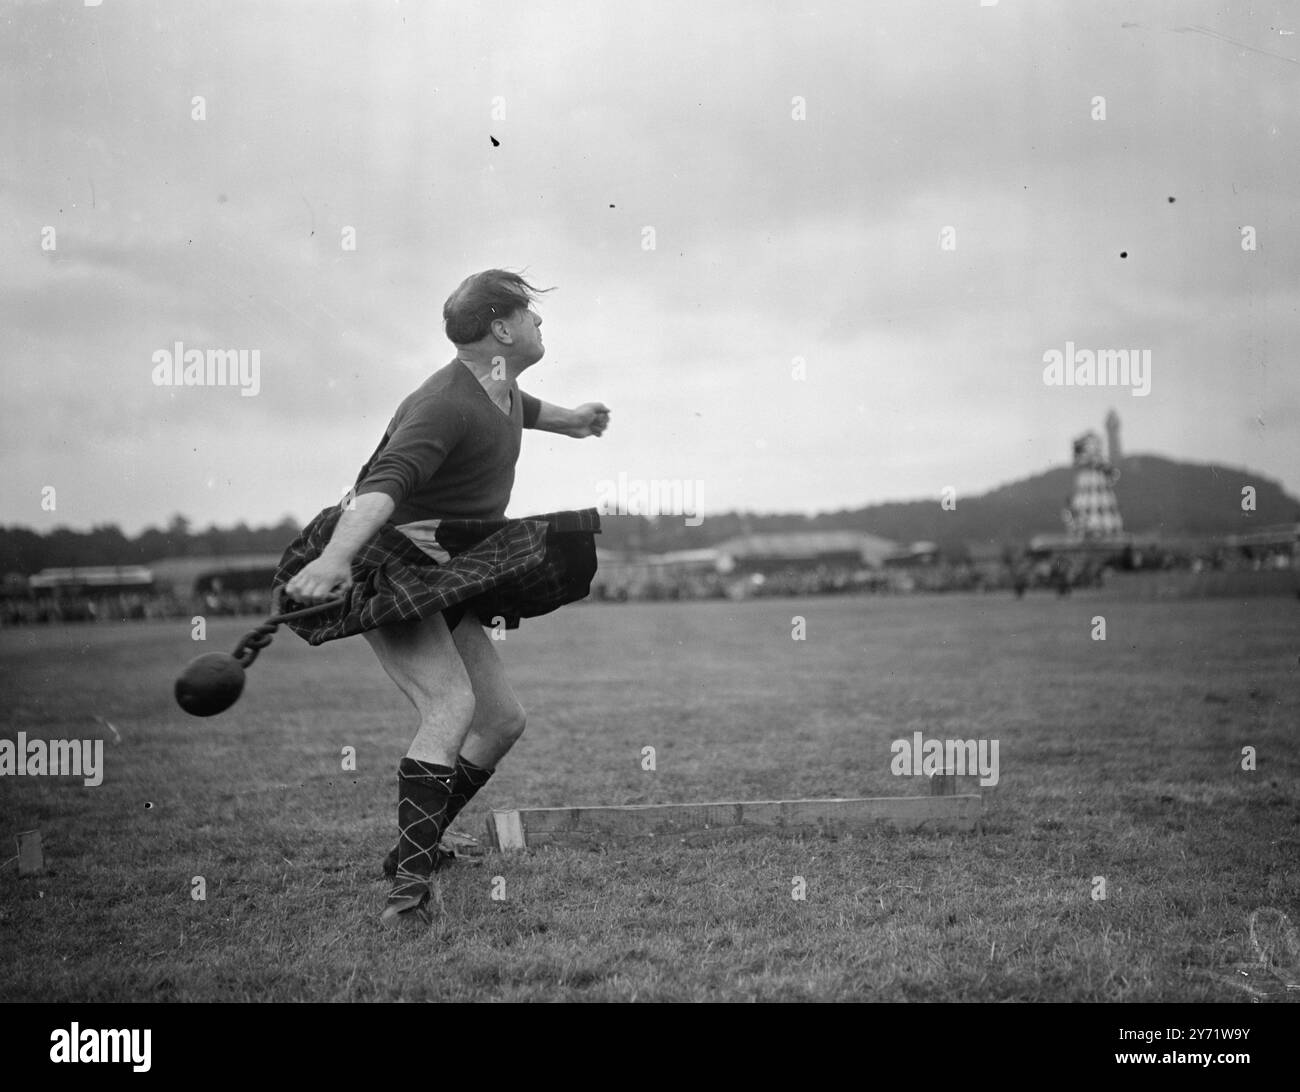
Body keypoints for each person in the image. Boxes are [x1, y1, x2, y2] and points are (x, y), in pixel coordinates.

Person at [276, 270, 610, 928]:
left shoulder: (497, 384)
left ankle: (415, 849)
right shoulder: (444, 402)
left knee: (502, 719)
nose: (542, 325)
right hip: (386, 561)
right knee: (452, 705)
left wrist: (572, 421)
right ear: (501, 329)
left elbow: (521, 409)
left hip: (437, 568)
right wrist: (336, 559)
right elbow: (385, 482)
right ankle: (407, 897)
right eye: (531, 315)